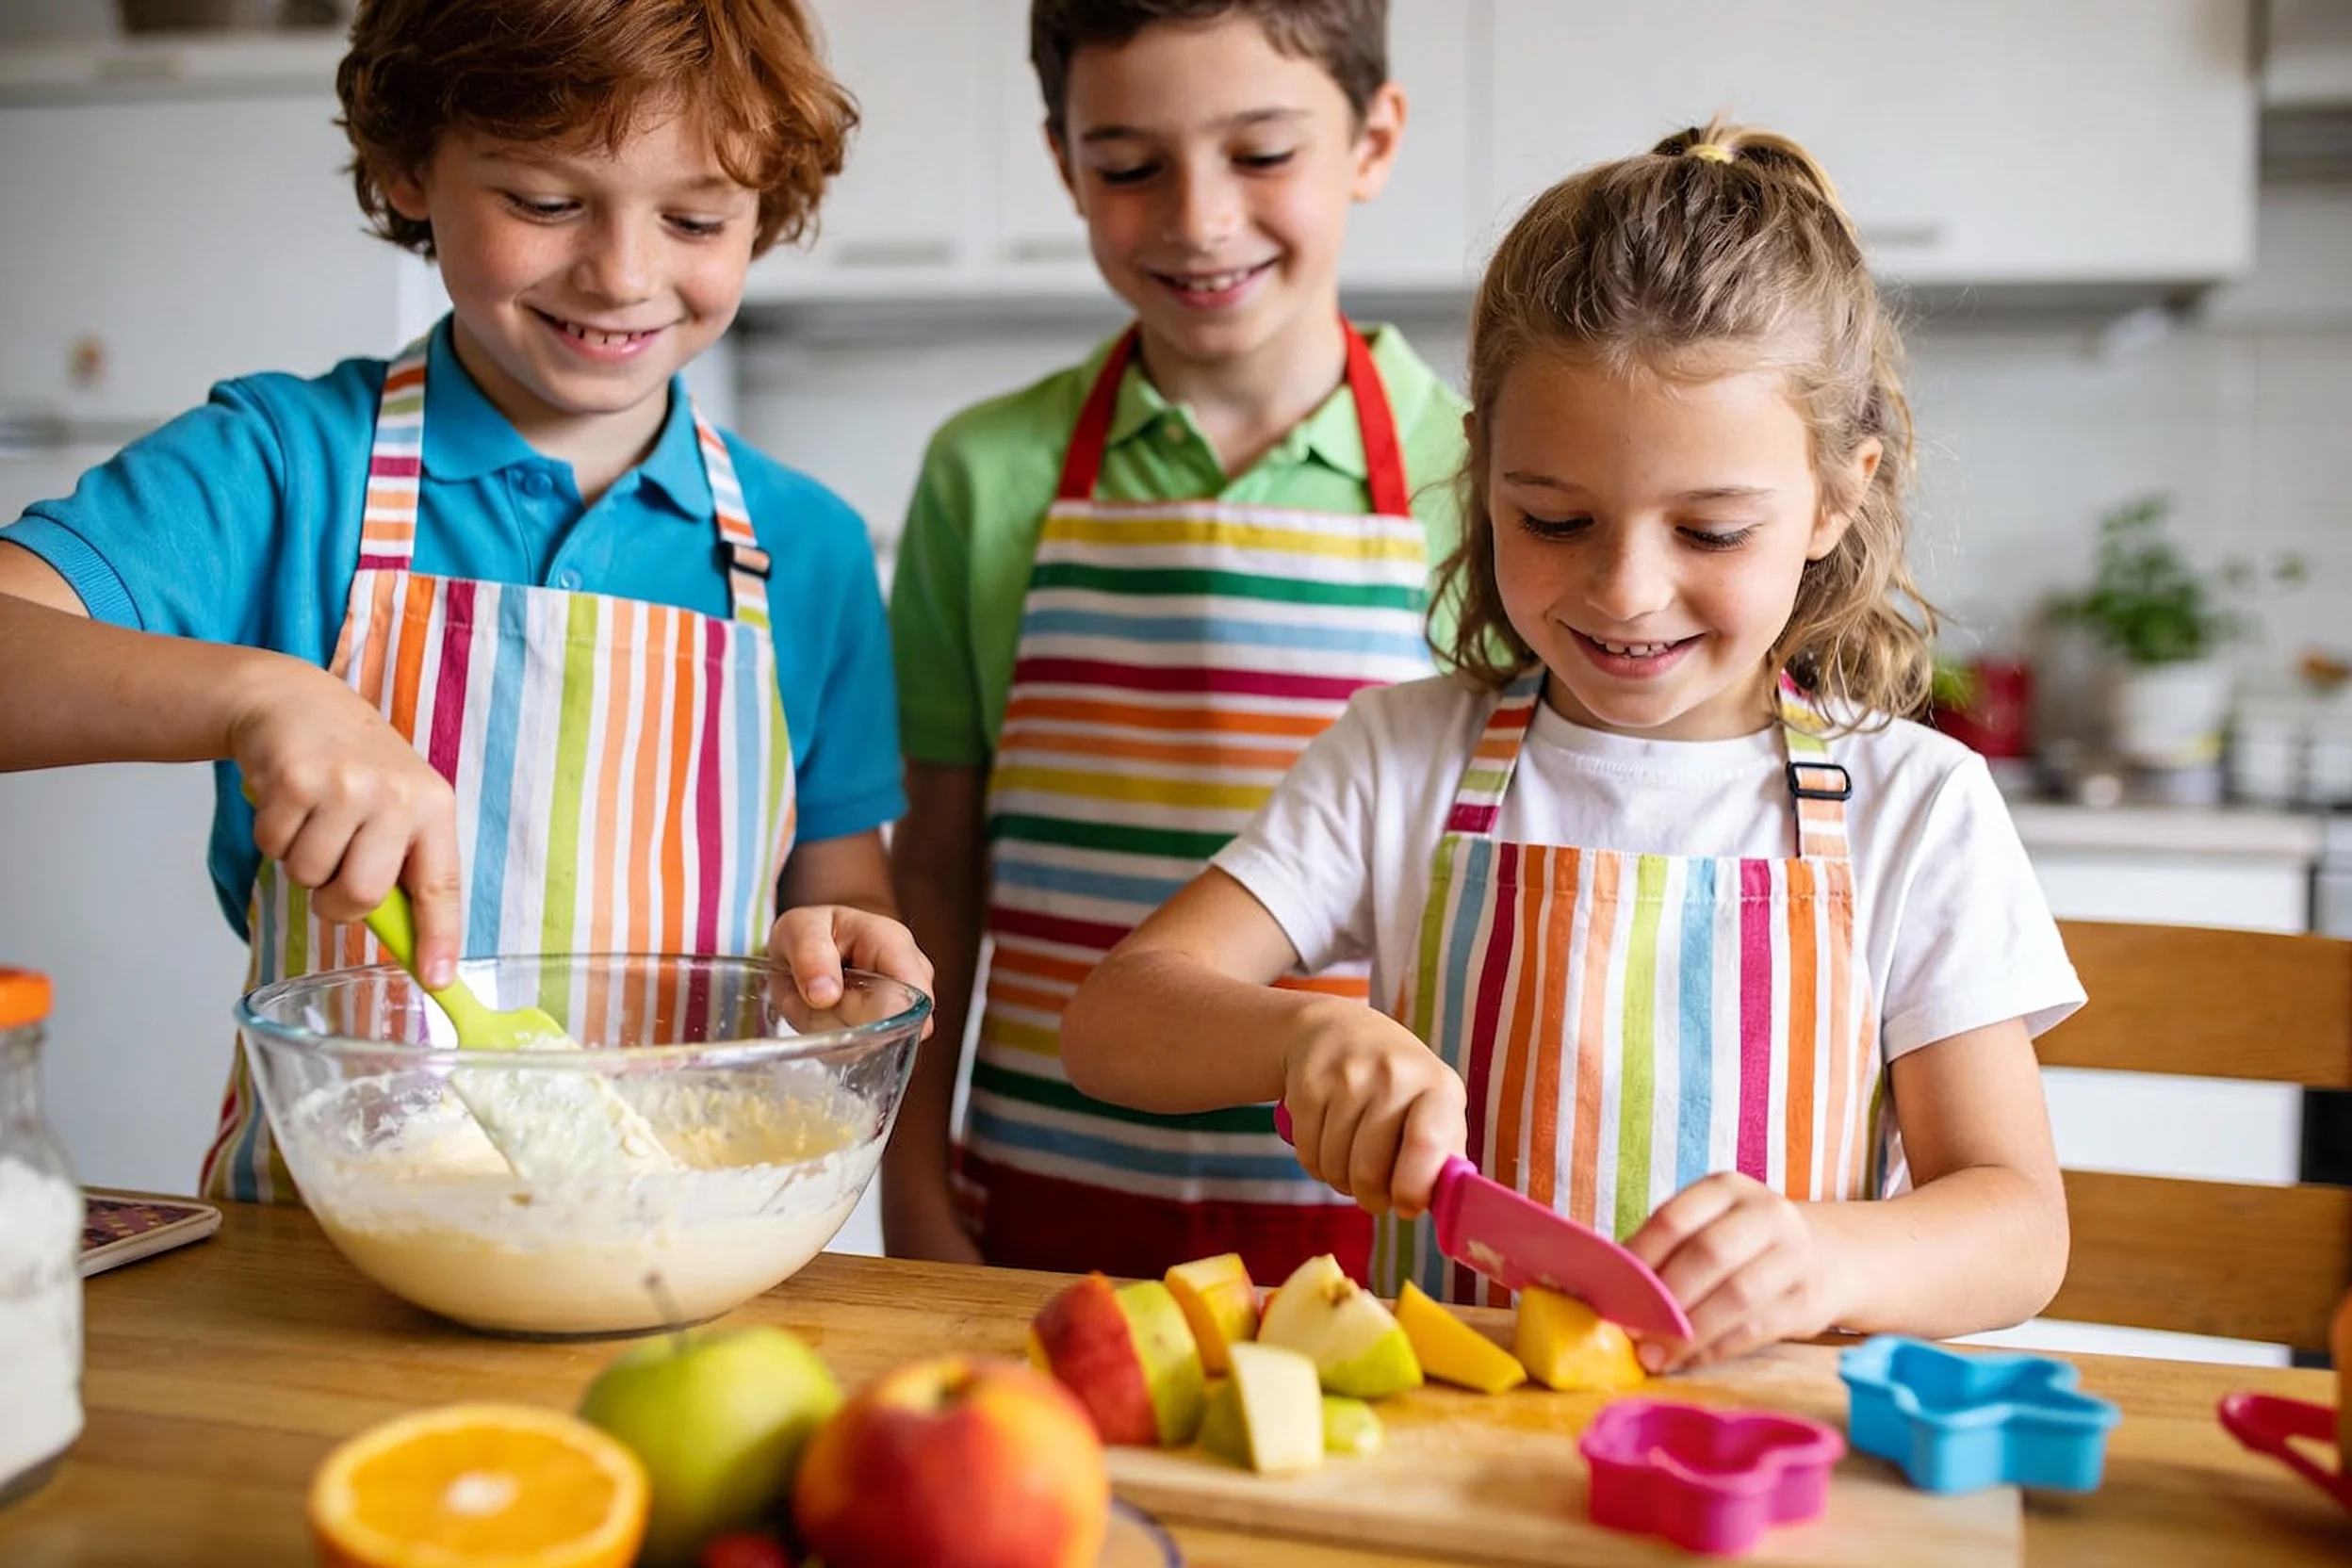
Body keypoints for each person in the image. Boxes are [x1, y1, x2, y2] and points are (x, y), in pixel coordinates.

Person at [1058, 121, 2082, 1368]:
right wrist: (1299, 1038)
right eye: (1554, 518)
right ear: (1484, 470)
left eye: (1709, 533)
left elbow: (2019, 1228)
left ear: (1834, 496)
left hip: (1759, 1476)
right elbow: (1112, 1022)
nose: (1627, 589)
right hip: (1450, 1443)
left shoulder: (1916, 808)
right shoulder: (1403, 760)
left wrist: (1828, 1258)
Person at [0, 0, 927, 1203]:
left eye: (696, 217)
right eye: (546, 201)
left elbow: (842, 902)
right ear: (409, 165)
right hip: (323, 1246)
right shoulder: (286, 464)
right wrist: (257, 694)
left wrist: (843, 962)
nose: (624, 274)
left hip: (689, 1234)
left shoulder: (807, 548)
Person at [881, 0, 1468, 1280]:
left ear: (1373, 140)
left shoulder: (1490, 484)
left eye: (1262, 155)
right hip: (1039, 1206)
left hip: (1381, 1231)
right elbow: (934, 865)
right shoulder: (986, 477)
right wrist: (908, 1180)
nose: (1198, 219)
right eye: (1130, 166)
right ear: (1063, 162)